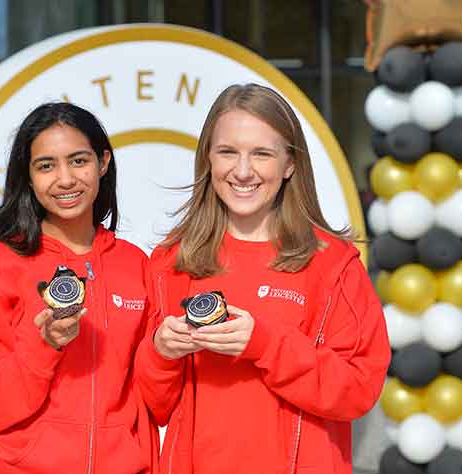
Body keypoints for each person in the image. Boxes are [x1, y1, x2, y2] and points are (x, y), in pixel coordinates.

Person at [134, 84, 390, 474]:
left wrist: (265, 344)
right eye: (228, 152)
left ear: (289, 164)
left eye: (261, 154)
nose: (242, 171)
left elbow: (358, 390)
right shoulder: (171, 262)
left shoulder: (333, 264)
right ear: (208, 159)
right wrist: (161, 353)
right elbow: (155, 405)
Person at [0, 102, 159, 474]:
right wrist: (44, 345)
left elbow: (149, 396)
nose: (66, 179)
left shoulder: (135, 264)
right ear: (28, 176)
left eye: (78, 161)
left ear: (103, 163)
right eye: (46, 166)